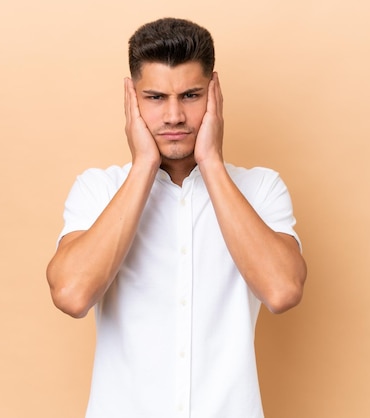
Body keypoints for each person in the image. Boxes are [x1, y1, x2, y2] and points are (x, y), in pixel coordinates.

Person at [46, 17, 307, 418]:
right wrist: (143, 166)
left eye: (190, 95)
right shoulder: (97, 190)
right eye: (154, 98)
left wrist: (211, 162)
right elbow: (71, 295)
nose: (174, 116)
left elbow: (283, 291)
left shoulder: (261, 189)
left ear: (214, 93)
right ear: (132, 98)